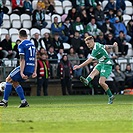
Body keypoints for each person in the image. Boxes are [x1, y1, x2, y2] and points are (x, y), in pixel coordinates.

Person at [73, 35, 117, 104]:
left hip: (107, 64)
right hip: (101, 63)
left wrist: (79, 66)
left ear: (92, 42)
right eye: (86, 44)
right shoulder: (97, 44)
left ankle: (110, 96)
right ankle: (87, 81)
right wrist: (113, 46)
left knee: (101, 82)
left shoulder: (96, 49)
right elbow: (106, 46)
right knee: (93, 72)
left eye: (88, 43)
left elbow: (89, 60)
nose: (87, 45)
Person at [0, 30, 37, 108]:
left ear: (19, 36)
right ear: (27, 36)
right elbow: (35, 58)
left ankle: (5, 101)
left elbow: (22, 59)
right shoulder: (32, 45)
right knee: (15, 82)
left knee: (8, 79)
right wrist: (34, 71)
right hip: (31, 67)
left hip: (25, 67)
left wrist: (21, 72)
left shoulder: (21, 45)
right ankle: (24, 102)